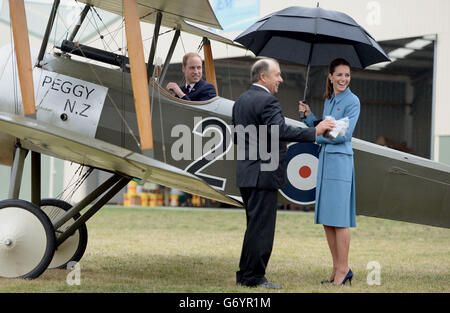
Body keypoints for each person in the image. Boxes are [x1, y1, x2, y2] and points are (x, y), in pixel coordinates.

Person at [232, 58, 335, 289]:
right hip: (264, 174)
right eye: (277, 74)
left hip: (246, 173)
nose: (281, 79)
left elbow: (240, 137)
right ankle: (255, 278)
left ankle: (245, 275)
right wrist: (313, 130)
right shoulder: (268, 101)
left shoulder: (240, 101)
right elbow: (279, 130)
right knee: (262, 230)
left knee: (253, 227)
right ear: (263, 77)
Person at [300, 58, 360, 286]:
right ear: (331, 77)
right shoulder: (330, 100)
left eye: (347, 75)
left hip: (340, 164)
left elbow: (343, 134)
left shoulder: (353, 101)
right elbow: (325, 128)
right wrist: (309, 118)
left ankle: (344, 268)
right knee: (328, 219)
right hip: (325, 162)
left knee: (339, 218)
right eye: (340, 75)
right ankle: (337, 268)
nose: (344, 79)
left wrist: (314, 133)